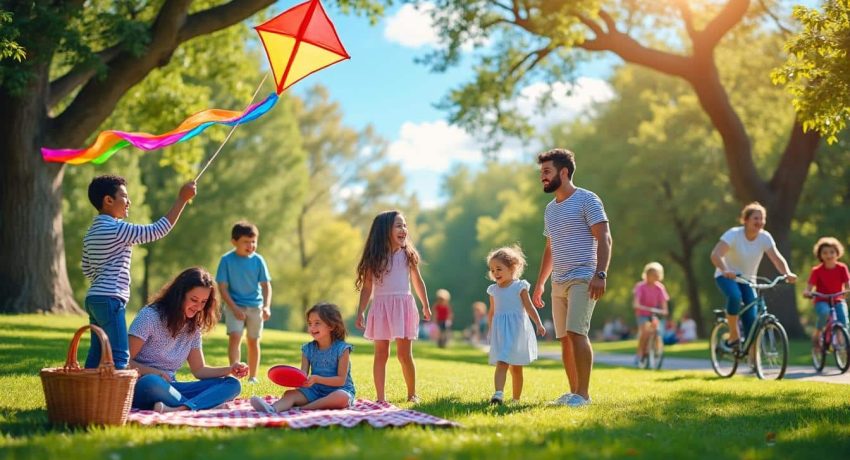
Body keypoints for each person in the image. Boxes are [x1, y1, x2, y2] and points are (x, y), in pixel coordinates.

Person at [82, 175, 196, 370]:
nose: (129, 202)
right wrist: (182, 199)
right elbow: (158, 230)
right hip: (111, 298)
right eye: (124, 197)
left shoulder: (90, 233)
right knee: (120, 355)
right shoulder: (118, 229)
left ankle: (86, 388)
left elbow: (87, 268)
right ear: (108, 200)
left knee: (97, 352)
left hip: (94, 299)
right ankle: (120, 390)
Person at [532, 148, 611, 407]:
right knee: (565, 339)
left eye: (547, 171)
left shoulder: (587, 199)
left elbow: (605, 238)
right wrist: (541, 283)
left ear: (563, 172)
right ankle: (573, 392)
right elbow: (550, 248)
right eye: (541, 172)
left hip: (583, 276)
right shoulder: (550, 210)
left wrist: (601, 274)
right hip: (558, 281)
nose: (542, 177)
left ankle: (583, 395)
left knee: (577, 333)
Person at [129, 268, 249, 413]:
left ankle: (182, 407)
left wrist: (230, 369)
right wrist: (154, 372)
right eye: (194, 300)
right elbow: (123, 362)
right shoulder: (149, 316)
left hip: (173, 388)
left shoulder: (193, 327)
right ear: (179, 295)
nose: (198, 307)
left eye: (203, 302)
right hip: (143, 385)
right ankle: (205, 405)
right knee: (151, 382)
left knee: (232, 384)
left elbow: (199, 370)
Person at [355, 210, 431, 403]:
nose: (404, 229)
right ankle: (381, 398)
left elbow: (417, 281)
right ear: (384, 230)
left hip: (403, 307)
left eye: (404, 225)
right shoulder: (374, 257)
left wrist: (425, 304)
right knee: (381, 354)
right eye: (398, 226)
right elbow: (367, 287)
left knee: (405, 355)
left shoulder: (408, 255)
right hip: (381, 308)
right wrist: (361, 311)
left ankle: (412, 394)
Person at [710, 202, 796, 351]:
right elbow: (715, 254)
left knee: (751, 317)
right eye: (756, 218)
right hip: (727, 276)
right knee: (735, 296)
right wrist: (725, 269)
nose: (760, 222)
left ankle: (752, 358)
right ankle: (734, 335)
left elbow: (776, 258)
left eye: (762, 218)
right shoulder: (733, 234)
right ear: (746, 220)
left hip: (747, 280)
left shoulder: (765, 237)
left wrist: (787, 273)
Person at [251, 303, 355, 413]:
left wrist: (317, 379)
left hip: (339, 390)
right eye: (310, 323)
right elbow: (302, 376)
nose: (312, 327)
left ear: (331, 326)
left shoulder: (342, 349)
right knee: (290, 394)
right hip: (315, 391)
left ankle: (306, 407)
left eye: (317, 323)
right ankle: (272, 408)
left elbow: (341, 380)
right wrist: (298, 381)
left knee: (341, 398)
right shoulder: (307, 349)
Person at [486, 245, 546, 404]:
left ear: (512, 267)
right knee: (502, 361)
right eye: (492, 270)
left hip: (517, 331)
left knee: (516, 367)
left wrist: (538, 324)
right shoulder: (493, 290)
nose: (495, 273)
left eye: (499, 269)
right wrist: (491, 330)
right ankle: (498, 394)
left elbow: (529, 307)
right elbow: (492, 312)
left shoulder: (519, 286)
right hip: (501, 331)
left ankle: (516, 399)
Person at [216, 221, 272, 384]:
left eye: (253, 241)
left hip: (255, 307)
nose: (251, 245)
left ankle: (253, 377)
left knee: (253, 340)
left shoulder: (258, 260)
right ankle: (235, 374)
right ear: (234, 242)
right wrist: (234, 308)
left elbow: (266, 285)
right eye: (246, 242)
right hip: (234, 306)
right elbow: (222, 287)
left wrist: (267, 306)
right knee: (235, 337)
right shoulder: (226, 260)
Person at [803, 237, 849, 350]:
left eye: (832, 252)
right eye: (825, 253)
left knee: (843, 318)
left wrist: (848, 290)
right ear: (820, 255)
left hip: (838, 299)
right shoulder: (817, 271)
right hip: (821, 300)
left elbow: (847, 283)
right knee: (825, 312)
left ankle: (842, 343)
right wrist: (807, 292)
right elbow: (809, 287)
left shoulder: (842, 268)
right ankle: (818, 333)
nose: (829, 255)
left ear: (837, 253)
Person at [633, 262, 670, 364]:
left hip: (654, 313)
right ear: (647, 275)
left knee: (657, 329)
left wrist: (664, 310)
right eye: (653, 275)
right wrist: (638, 306)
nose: (655, 277)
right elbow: (636, 302)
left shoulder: (660, 288)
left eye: (657, 275)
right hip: (642, 313)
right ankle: (640, 354)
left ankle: (657, 351)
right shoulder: (640, 286)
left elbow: (664, 305)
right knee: (645, 331)